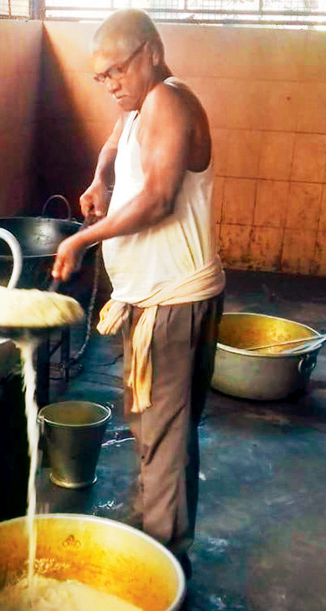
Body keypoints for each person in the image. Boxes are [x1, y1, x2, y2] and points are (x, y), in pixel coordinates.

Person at [51, 9, 224, 561]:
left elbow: (158, 199)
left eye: (116, 72)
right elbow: (114, 146)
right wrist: (100, 178)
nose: (110, 87)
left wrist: (81, 240)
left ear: (151, 50)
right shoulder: (140, 106)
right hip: (154, 300)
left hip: (175, 302)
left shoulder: (169, 100)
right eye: (100, 78)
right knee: (149, 423)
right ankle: (148, 530)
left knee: (167, 438)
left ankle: (164, 564)